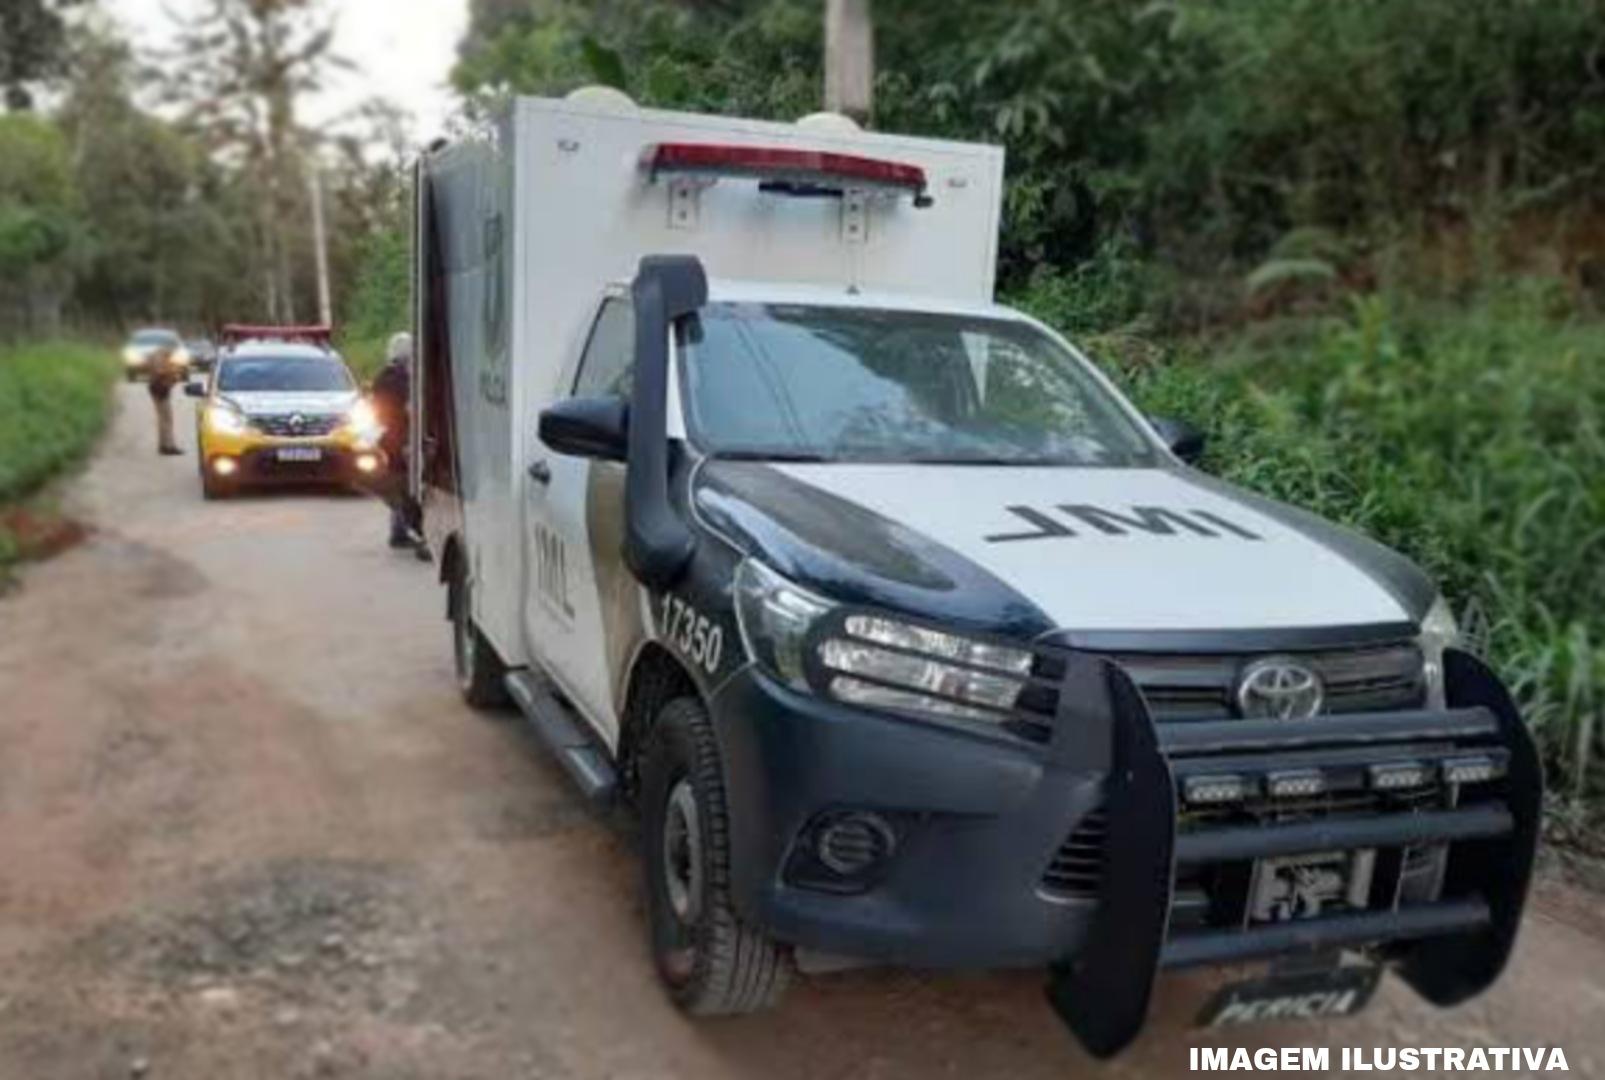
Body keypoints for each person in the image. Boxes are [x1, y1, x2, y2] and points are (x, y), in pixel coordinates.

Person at [370, 332, 426, 553]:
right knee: (410, 487)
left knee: (398, 487)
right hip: (404, 437)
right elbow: (410, 409)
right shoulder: (404, 380)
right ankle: (416, 532)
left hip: (388, 438)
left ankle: (398, 531)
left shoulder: (381, 378)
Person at [147, 342, 185, 456]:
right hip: (160, 389)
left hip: (158, 388)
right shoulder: (161, 357)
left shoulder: (158, 355)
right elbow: (160, 372)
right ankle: (168, 446)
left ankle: (163, 445)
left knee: (162, 418)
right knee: (166, 418)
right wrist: (173, 373)